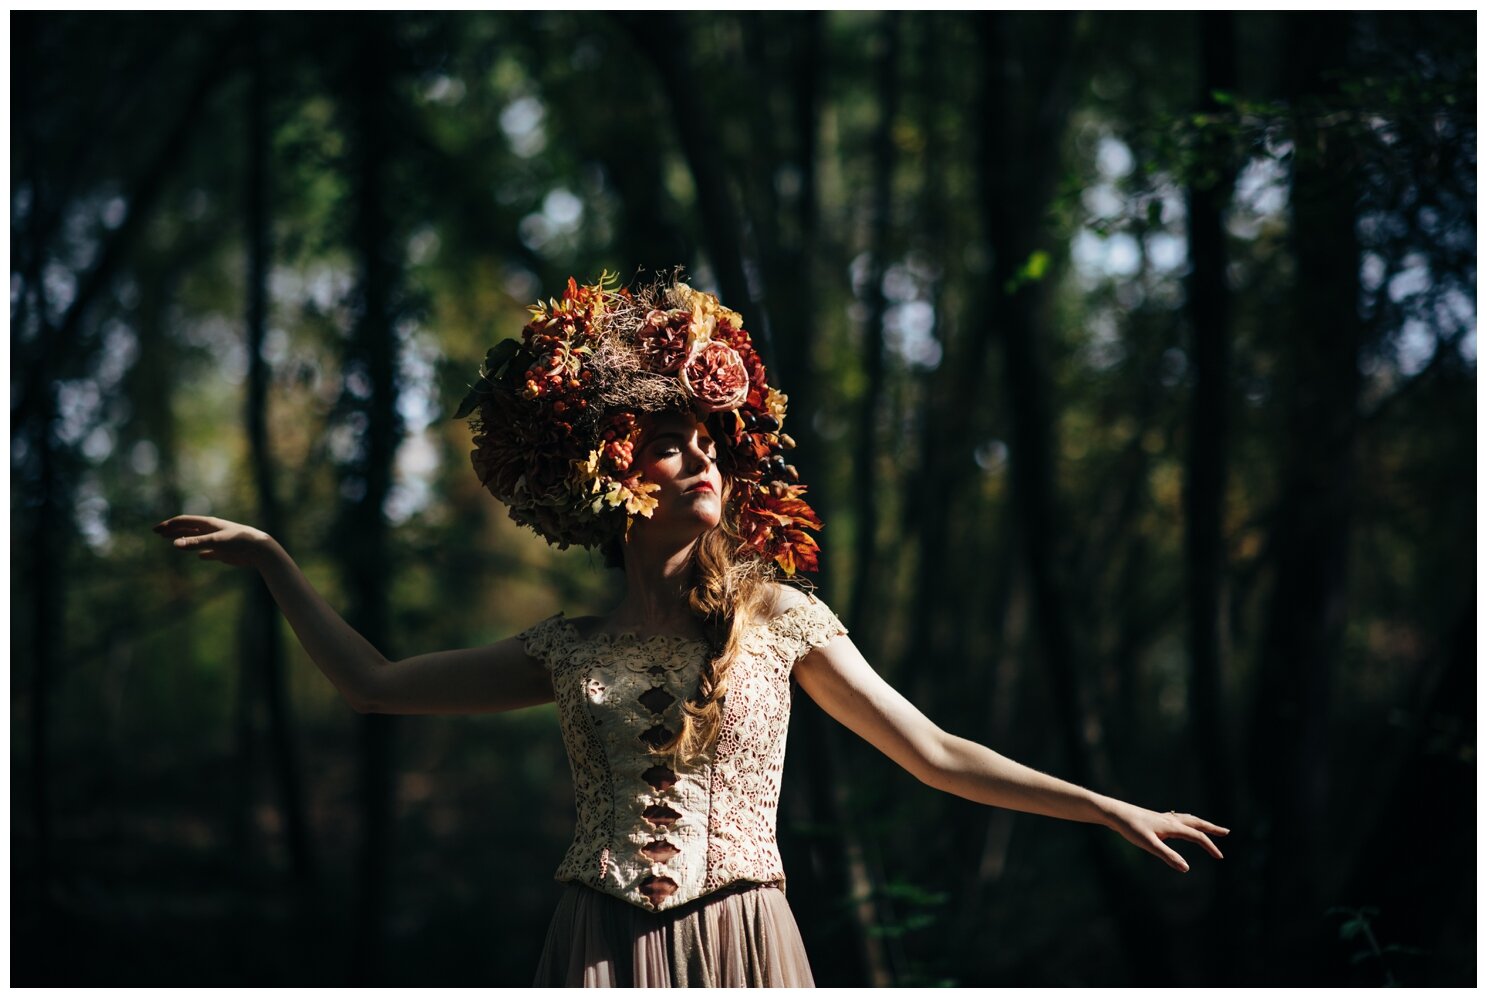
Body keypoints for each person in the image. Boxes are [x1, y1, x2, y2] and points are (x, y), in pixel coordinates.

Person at [155, 274, 1227, 987]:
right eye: (668, 443)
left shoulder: (781, 619)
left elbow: (935, 750)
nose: (704, 458)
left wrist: (1105, 803)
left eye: (710, 440)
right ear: (613, 475)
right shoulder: (563, 648)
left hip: (748, 941)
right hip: (596, 949)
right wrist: (274, 563)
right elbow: (375, 683)